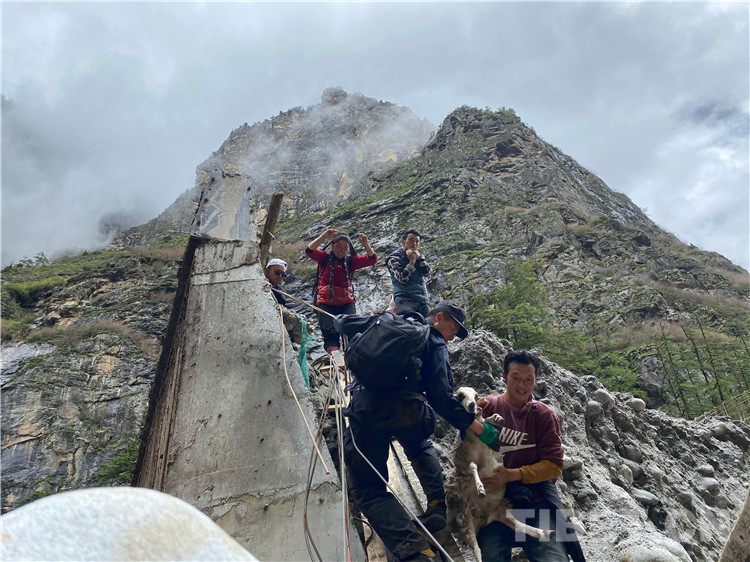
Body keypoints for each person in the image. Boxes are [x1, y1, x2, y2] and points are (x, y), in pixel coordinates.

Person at [336, 302, 502, 561]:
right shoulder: (434, 342)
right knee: (419, 445)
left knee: (369, 489)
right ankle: (436, 505)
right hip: (409, 412)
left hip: (367, 411)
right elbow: (441, 397)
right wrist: (479, 428)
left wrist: (340, 325)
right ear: (439, 318)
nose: (451, 338)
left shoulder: (388, 322)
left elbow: (344, 323)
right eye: (452, 330)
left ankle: (412, 548)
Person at [477, 350, 585, 562]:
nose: (522, 385)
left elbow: (553, 466)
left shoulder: (543, 415)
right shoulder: (488, 408)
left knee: (554, 559)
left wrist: (511, 475)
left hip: (534, 502)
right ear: (504, 376)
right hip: (495, 506)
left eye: (529, 379)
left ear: (535, 380)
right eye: (515, 377)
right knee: (491, 555)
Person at [305, 228, 377, 354]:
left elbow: (373, 259)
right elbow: (309, 250)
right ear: (332, 245)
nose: (341, 250)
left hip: (346, 303)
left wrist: (366, 244)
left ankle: (352, 356)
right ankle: (336, 357)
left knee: (352, 329)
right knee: (330, 332)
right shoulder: (324, 258)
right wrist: (323, 236)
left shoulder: (351, 261)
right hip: (325, 303)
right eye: (338, 246)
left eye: (345, 247)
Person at [385, 229, 431, 317]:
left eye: (417, 241)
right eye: (411, 240)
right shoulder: (393, 259)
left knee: (426, 324)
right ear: (403, 242)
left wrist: (420, 259)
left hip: (422, 300)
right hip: (405, 300)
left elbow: (427, 273)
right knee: (408, 324)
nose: (414, 244)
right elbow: (402, 278)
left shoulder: (417, 257)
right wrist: (412, 262)